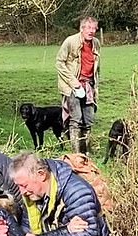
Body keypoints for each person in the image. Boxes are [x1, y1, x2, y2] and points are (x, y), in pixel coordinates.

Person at [56, 16, 100, 154]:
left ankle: (86, 153)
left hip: (88, 86)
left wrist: (95, 87)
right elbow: (59, 62)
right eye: (88, 28)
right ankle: (76, 155)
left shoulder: (96, 43)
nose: (91, 31)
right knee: (76, 120)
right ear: (82, 29)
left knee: (88, 120)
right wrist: (73, 82)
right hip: (72, 86)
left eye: (94, 28)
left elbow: (97, 67)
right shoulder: (70, 41)